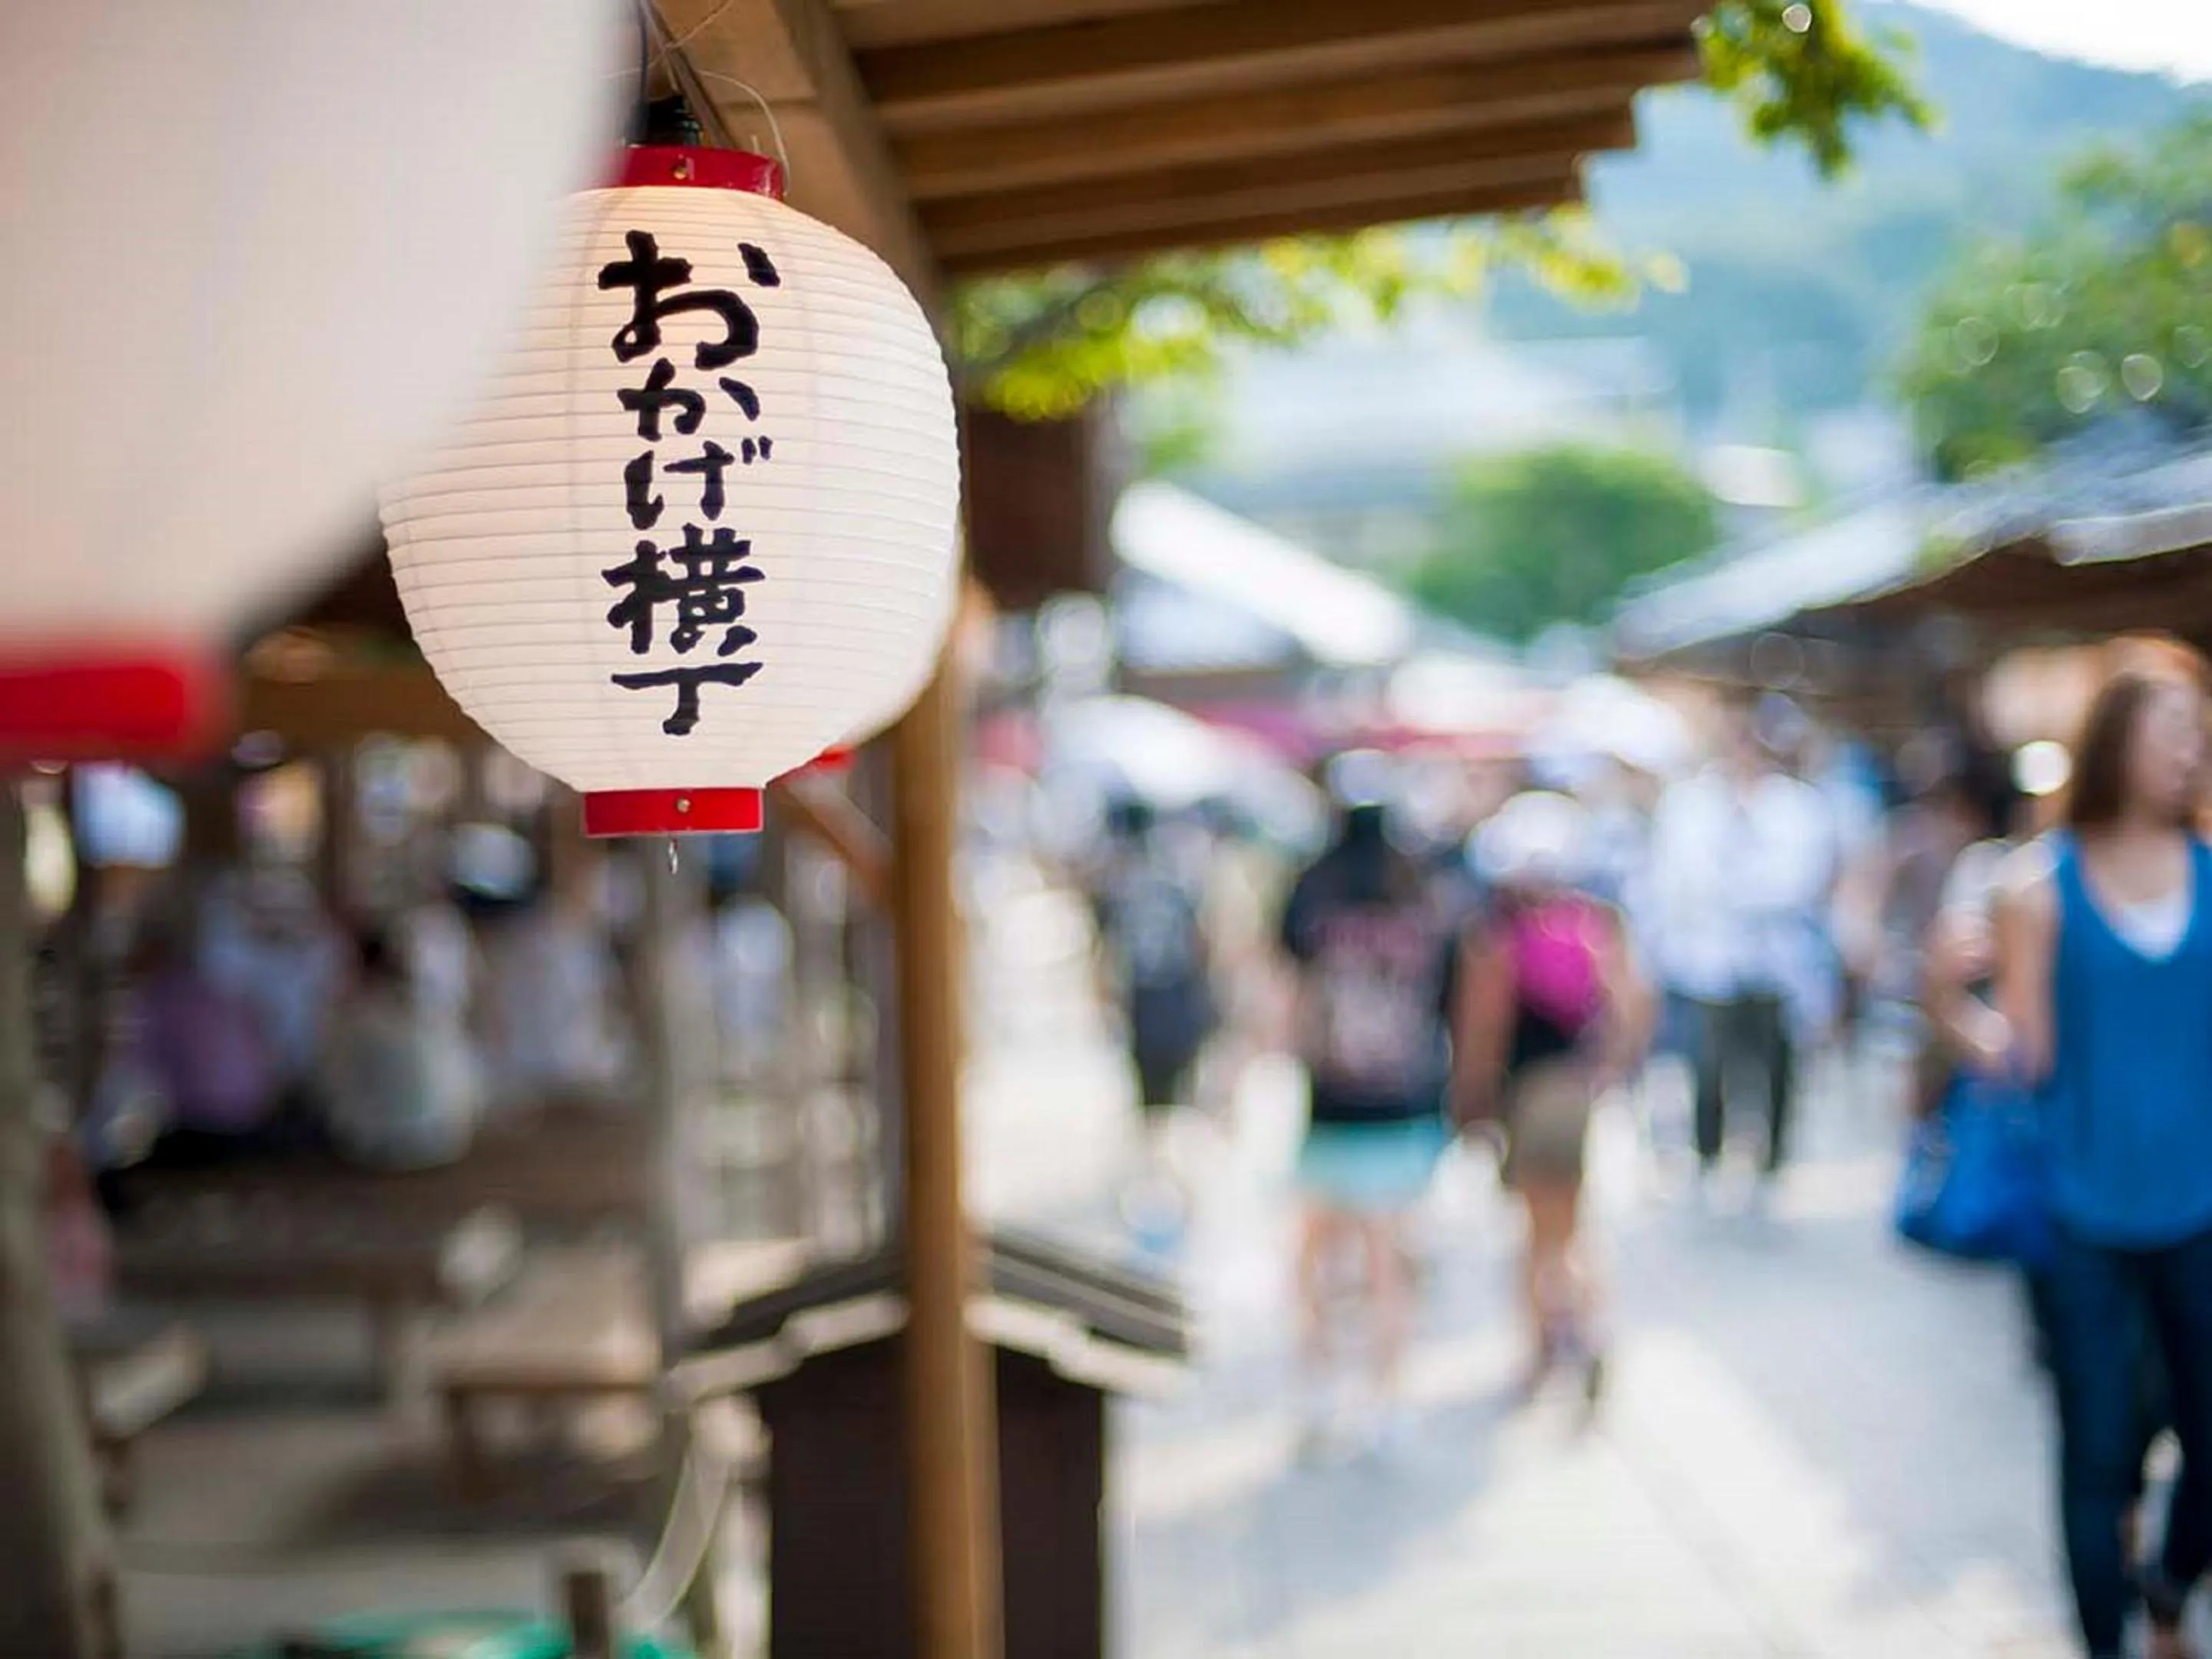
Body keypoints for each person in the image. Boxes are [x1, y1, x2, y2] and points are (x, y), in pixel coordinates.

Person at [1988, 640, 2212, 1659]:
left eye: (2200, 735)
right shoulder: (2039, 888)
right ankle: (2105, 1640)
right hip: (2082, 1204)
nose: (2191, 753)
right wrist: (1950, 1003)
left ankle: (2167, 1581)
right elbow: (2024, 1056)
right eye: (2175, 733)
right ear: (2116, 741)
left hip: (2200, 1199)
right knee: (2097, 1442)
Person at [1278, 764, 1458, 1451]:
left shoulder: (1312, 893)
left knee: (1318, 1260)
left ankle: (1321, 1387)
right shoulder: (1422, 897)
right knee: (1390, 1263)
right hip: (1405, 1104)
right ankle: (1389, 1396)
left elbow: (1289, 994)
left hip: (1331, 1105)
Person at [1455, 791, 1647, 1401]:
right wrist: (1607, 1073)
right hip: (1577, 1093)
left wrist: (1472, 1104)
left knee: (1538, 1234)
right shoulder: (1597, 926)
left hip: (1530, 1096)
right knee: (1575, 1225)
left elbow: (1481, 1032)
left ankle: (1543, 1348)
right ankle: (1590, 1329)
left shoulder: (1497, 937)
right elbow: (1633, 1009)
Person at [1647, 695, 1836, 1198]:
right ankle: (1708, 1156)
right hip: (1711, 958)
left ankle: (1771, 1165)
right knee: (1709, 1063)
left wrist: (1743, 891)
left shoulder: (1798, 807)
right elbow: (1679, 878)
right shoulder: (1690, 805)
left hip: (1779, 963)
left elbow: (1800, 881)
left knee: (1775, 1065)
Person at [320, 927, 483, 1171]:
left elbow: (334, 1077)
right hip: (442, 1137)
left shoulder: (354, 1016)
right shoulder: (432, 1004)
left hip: (378, 1144)